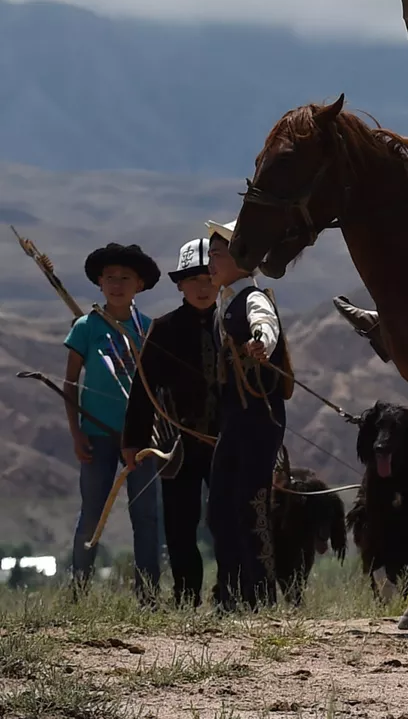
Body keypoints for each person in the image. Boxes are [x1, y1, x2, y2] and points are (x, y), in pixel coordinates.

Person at [123, 238, 223, 606]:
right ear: (180, 284)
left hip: (227, 441)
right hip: (176, 443)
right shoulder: (164, 329)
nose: (202, 287)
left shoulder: (233, 326)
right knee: (180, 523)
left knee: (227, 519)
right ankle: (186, 597)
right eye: (193, 279)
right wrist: (133, 442)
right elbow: (143, 390)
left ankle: (231, 593)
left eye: (209, 278)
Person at [63, 243, 163, 602]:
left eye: (125, 278)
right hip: (96, 435)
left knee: (146, 516)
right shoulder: (85, 327)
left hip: (142, 438)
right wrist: (76, 433)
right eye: (110, 278)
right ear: (99, 282)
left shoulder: (149, 329)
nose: (117, 285)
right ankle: (78, 593)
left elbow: (157, 387)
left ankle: (148, 596)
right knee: (92, 514)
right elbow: (70, 383)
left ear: (139, 284)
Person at [205, 222, 291, 611]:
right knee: (221, 507)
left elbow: (264, 324)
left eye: (217, 254)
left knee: (250, 504)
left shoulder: (252, 299)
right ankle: (231, 594)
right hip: (235, 421)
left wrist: (262, 343)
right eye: (210, 254)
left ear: (241, 258)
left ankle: (261, 597)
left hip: (259, 420)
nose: (210, 262)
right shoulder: (224, 302)